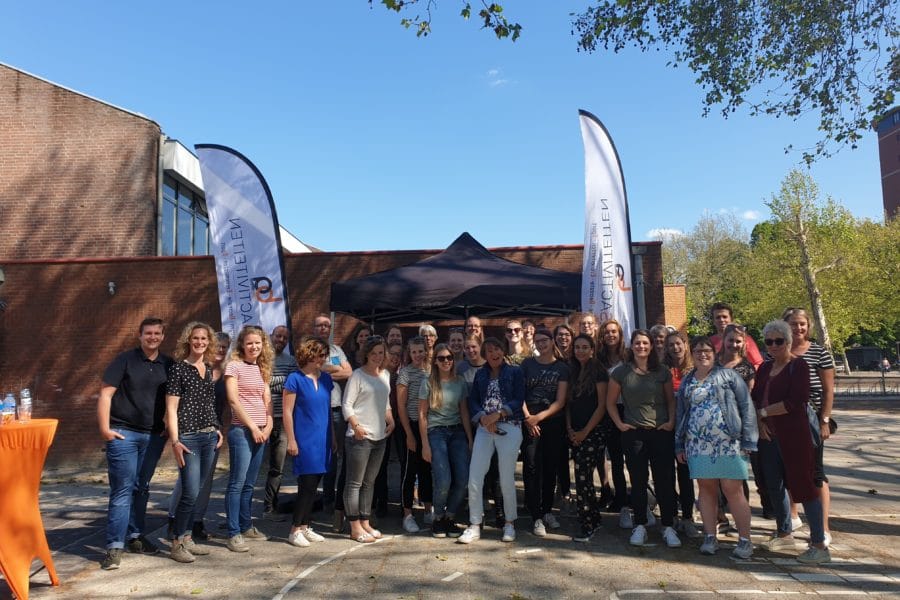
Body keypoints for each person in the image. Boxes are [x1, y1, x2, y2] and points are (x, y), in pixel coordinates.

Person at [97, 317, 173, 570]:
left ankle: (135, 536)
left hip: (153, 437)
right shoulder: (125, 360)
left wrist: (169, 428)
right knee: (122, 490)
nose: (152, 337)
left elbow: (175, 400)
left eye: (157, 333)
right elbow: (105, 394)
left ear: (163, 336)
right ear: (140, 336)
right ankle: (114, 546)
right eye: (148, 333)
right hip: (124, 434)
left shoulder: (168, 364)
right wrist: (105, 429)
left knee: (142, 488)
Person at [752, 320, 830, 564]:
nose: (773, 345)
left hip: (795, 436)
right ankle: (784, 533)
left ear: (788, 342)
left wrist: (763, 413)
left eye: (779, 341)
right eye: (769, 341)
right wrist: (760, 422)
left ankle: (819, 544)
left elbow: (796, 401)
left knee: (804, 485)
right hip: (768, 436)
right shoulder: (765, 367)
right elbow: (756, 398)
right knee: (774, 485)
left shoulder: (799, 366)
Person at [674, 336, 757, 559]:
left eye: (707, 351)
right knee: (706, 489)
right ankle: (710, 536)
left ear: (714, 353)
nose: (703, 354)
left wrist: (749, 440)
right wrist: (679, 445)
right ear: (692, 354)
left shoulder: (729, 376)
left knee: (733, 490)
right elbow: (682, 413)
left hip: (728, 442)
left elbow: (746, 406)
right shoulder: (687, 381)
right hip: (697, 444)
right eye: (698, 351)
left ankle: (745, 540)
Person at [607, 329, 681, 548]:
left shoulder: (662, 371)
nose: (641, 346)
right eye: (637, 343)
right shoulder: (621, 372)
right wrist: (620, 425)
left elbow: (670, 400)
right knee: (638, 481)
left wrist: (671, 422)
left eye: (645, 343)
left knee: (664, 481)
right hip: (634, 434)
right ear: (632, 346)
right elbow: (610, 403)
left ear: (651, 346)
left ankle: (667, 525)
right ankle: (640, 524)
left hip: (660, 432)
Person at [458, 337, 525, 544]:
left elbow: (518, 399)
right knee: (475, 476)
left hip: (509, 426)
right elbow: (473, 401)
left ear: (503, 351)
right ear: (484, 355)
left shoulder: (515, 372)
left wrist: (498, 415)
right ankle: (474, 524)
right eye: (489, 351)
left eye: (497, 349)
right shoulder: (480, 374)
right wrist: (483, 418)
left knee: (506, 477)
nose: (494, 353)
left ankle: (509, 523)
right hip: (485, 428)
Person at [165, 322, 222, 563]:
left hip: (209, 436)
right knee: (188, 493)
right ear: (188, 340)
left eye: (204, 339)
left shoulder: (207, 369)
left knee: (197, 492)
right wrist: (175, 441)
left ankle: (187, 537)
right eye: (196, 338)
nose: (200, 342)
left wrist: (217, 428)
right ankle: (176, 542)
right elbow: (171, 408)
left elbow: (208, 403)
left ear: (209, 342)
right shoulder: (178, 369)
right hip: (188, 438)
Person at [782, 307, 835, 545]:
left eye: (802, 323)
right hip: (784, 419)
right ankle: (793, 516)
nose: (798, 328)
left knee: (816, 473)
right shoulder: (778, 349)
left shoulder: (819, 352)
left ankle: (823, 527)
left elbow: (828, 390)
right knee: (788, 470)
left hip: (810, 419)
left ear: (808, 326)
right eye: (793, 324)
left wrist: (824, 420)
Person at [224, 325, 274, 553]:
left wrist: (268, 425)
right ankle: (233, 532)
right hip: (242, 432)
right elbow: (233, 401)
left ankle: (246, 526)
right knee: (237, 483)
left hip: (261, 432)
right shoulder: (234, 366)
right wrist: (253, 427)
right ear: (242, 346)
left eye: (258, 343)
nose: (254, 347)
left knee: (250, 484)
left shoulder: (263, 368)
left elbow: (267, 401)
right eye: (250, 343)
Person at [342, 336, 395, 543]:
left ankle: (365, 522)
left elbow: (385, 403)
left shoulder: (385, 375)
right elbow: (347, 405)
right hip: (360, 437)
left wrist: (391, 420)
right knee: (354, 483)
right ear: (366, 354)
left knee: (369, 483)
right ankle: (354, 526)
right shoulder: (357, 376)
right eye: (373, 353)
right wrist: (356, 427)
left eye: (381, 353)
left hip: (380, 437)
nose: (377, 357)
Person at [283, 336, 334, 547]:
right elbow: (287, 412)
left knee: (315, 485)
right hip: (304, 439)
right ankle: (294, 529)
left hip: (323, 438)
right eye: (320, 355)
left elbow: (328, 409)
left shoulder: (326, 379)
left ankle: (305, 526)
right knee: (306, 485)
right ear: (309, 354)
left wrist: (333, 437)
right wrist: (291, 439)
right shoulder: (294, 379)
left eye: (324, 355)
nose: (323, 359)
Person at [419, 344, 473, 538]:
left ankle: (450, 516)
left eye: (449, 357)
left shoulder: (460, 382)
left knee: (463, 479)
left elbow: (464, 412)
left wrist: (470, 439)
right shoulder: (428, 383)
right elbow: (422, 414)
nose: (446, 361)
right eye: (441, 358)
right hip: (436, 432)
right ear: (435, 361)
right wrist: (425, 444)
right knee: (443, 479)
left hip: (457, 432)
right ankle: (438, 517)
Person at [718, 324, 771, 519]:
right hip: (714, 424)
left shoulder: (746, 367)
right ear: (723, 340)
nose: (734, 344)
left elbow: (749, 400)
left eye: (738, 341)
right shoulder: (713, 364)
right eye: (730, 340)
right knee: (717, 471)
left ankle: (741, 515)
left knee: (738, 472)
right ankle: (720, 514)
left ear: (744, 343)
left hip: (737, 425)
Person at [520, 328, 569, 537]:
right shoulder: (527, 364)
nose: (541, 344)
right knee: (531, 467)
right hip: (529, 420)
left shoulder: (562, 367)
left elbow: (561, 400)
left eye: (544, 340)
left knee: (550, 467)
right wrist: (528, 418)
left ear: (552, 341)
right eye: (537, 341)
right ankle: (536, 515)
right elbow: (519, 394)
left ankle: (547, 510)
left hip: (552, 421)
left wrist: (538, 417)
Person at [565, 334, 610, 542]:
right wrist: (570, 429)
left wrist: (585, 432)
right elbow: (568, 404)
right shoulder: (572, 371)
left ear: (592, 350)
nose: (580, 351)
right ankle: (593, 517)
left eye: (585, 347)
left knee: (583, 477)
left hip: (594, 431)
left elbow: (602, 406)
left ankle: (588, 525)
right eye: (577, 347)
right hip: (574, 431)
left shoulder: (599, 372)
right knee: (581, 476)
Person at [312, 315, 352, 519]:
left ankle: (332, 499)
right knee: (321, 455)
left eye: (327, 325)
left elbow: (349, 372)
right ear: (314, 328)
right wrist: (335, 370)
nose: (323, 328)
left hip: (337, 409)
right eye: (319, 325)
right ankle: (319, 498)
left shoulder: (336, 350)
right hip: (317, 411)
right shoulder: (310, 348)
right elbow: (313, 369)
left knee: (336, 455)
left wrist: (325, 371)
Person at [663, 330, 700, 539]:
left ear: (685, 345)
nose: (675, 348)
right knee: (666, 474)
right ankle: (671, 515)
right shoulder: (663, 370)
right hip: (668, 426)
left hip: (689, 429)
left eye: (678, 343)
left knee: (685, 474)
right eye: (671, 345)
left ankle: (688, 517)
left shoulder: (694, 369)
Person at [397, 336, 433, 533]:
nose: (418, 355)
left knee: (427, 470)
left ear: (426, 351)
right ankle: (407, 514)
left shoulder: (431, 371)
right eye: (414, 352)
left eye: (421, 351)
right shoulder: (405, 373)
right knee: (409, 471)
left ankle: (428, 509)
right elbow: (401, 406)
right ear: (409, 354)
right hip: (410, 425)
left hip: (428, 426)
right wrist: (409, 434)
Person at [263, 325, 298, 517]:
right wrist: (276, 382)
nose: (281, 340)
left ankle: (270, 506)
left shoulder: (291, 360)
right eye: (278, 336)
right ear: (271, 336)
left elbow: (291, 385)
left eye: (285, 338)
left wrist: (268, 383)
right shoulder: (262, 358)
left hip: (282, 419)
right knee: (254, 465)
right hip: (261, 418)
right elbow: (260, 383)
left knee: (278, 466)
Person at [598, 319, 628, 514]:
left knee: (633, 459)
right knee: (615, 458)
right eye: (607, 332)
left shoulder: (629, 356)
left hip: (629, 409)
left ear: (620, 334)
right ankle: (620, 499)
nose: (610, 335)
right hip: (609, 411)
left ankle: (640, 500)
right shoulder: (599, 359)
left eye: (614, 331)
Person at [709, 302, 763, 368]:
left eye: (725, 317)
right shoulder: (709, 342)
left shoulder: (745, 339)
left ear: (731, 319)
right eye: (718, 317)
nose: (721, 320)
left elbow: (758, 364)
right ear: (713, 321)